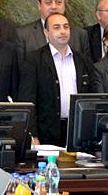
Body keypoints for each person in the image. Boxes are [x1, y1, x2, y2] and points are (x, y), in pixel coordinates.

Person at [18, 13, 96, 147]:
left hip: (77, 131)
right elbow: (27, 100)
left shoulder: (83, 60)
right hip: (46, 133)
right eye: (56, 27)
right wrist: (32, 135)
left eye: (66, 27)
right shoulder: (34, 60)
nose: (62, 31)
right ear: (46, 32)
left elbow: (93, 96)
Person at [16, 0, 89, 62]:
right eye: (48, 2)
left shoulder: (80, 35)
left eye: (58, 2)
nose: (54, 7)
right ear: (39, 5)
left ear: (64, 5)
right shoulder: (23, 34)